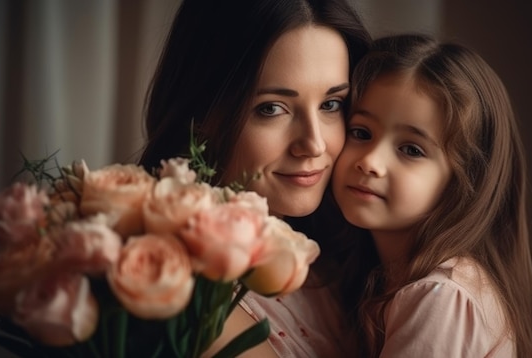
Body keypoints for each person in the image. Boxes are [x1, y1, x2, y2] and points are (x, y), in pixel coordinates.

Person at [137, 0, 371, 356]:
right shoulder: (192, 302)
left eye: (331, 104)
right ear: (200, 116)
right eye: (271, 108)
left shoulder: (335, 265)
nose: (314, 144)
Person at [329, 33, 532, 357]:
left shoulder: (442, 296)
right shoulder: (380, 279)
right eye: (361, 132)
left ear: (462, 181)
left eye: (411, 149)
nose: (370, 162)